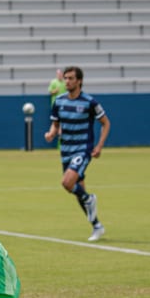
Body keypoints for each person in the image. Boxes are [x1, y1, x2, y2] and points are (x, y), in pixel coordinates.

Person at [44, 66, 111, 242]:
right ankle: (97, 226)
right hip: (65, 150)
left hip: (82, 149)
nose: (67, 81)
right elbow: (55, 124)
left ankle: (90, 199)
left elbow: (106, 123)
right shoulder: (58, 101)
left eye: (71, 78)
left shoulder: (90, 102)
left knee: (67, 183)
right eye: (65, 78)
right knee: (78, 190)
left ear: (79, 81)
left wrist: (99, 146)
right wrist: (51, 133)